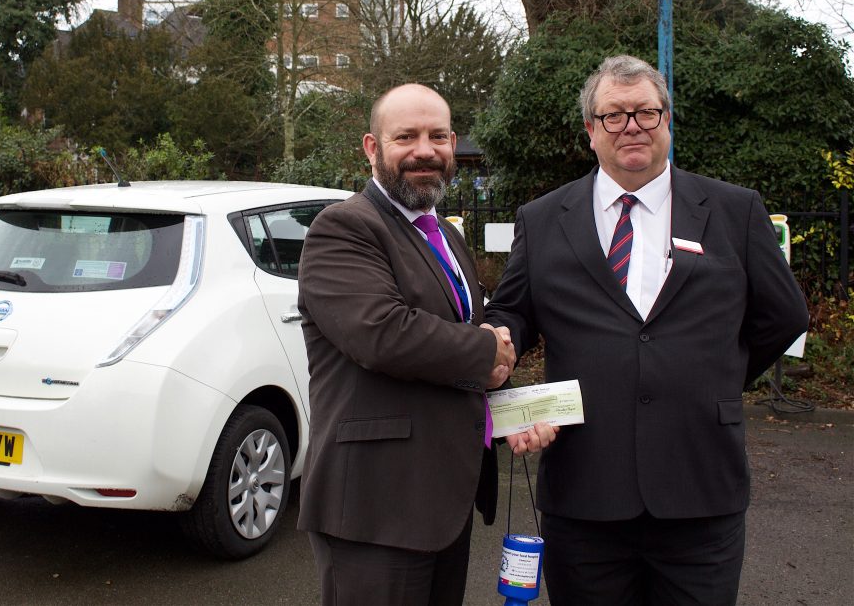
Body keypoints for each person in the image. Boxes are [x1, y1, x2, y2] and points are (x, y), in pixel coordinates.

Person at [485, 55, 809, 606]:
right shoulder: (542, 219)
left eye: (646, 113)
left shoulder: (735, 210)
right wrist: (496, 344)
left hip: (700, 487)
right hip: (584, 493)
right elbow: (513, 312)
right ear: (591, 131)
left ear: (667, 121)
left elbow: (784, 316)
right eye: (614, 115)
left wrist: (717, 378)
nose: (631, 126)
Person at [297, 83, 556, 606]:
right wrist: (491, 354)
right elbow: (383, 333)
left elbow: (451, 362)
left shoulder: (444, 236)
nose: (424, 150)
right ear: (373, 147)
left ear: (453, 144)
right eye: (406, 136)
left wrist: (508, 417)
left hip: (441, 503)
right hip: (376, 506)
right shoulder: (344, 227)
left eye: (438, 136)